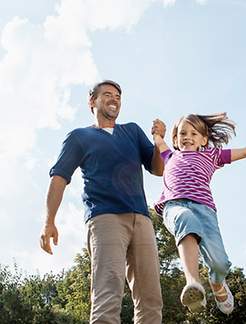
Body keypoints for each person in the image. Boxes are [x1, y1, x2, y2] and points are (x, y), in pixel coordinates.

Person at [39, 80, 165, 324]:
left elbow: (157, 169)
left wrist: (159, 140)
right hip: (105, 218)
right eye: (107, 94)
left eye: (117, 96)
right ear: (92, 101)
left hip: (142, 219)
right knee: (108, 295)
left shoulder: (132, 131)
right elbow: (59, 177)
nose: (114, 99)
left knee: (151, 299)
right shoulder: (79, 137)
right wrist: (49, 221)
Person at [152, 113, 246, 314]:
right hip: (174, 205)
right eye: (182, 133)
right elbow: (158, 140)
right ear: (175, 139)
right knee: (184, 219)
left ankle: (217, 283)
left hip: (205, 210)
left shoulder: (212, 155)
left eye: (194, 133)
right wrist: (157, 132)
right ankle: (193, 283)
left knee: (220, 264)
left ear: (204, 140)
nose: (187, 137)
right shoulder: (169, 156)